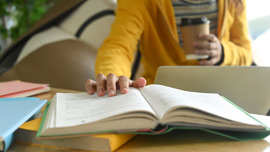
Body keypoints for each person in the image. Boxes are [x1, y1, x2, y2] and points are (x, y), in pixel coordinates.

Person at [85, 0, 252, 97]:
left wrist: (223, 52)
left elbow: (245, 52)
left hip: (220, 94)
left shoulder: (233, 3)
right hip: (163, 98)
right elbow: (118, 46)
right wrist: (113, 76)